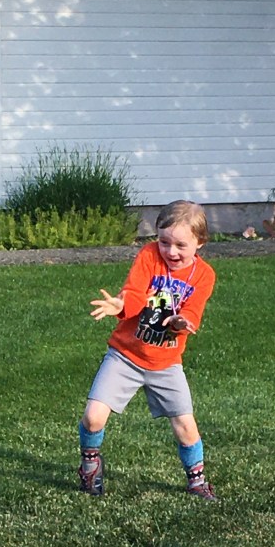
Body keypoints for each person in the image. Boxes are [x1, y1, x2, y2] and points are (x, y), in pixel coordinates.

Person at [77, 199, 218, 500]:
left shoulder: (204, 275)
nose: (171, 251)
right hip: (125, 356)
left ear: (200, 243)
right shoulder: (149, 255)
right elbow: (134, 292)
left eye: (180, 245)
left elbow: (193, 312)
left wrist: (182, 322)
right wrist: (120, 305)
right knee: (93, 416)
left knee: (185, 426)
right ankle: (90, 465)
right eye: (164, 242)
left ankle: (197, 481)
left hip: (166, 362)